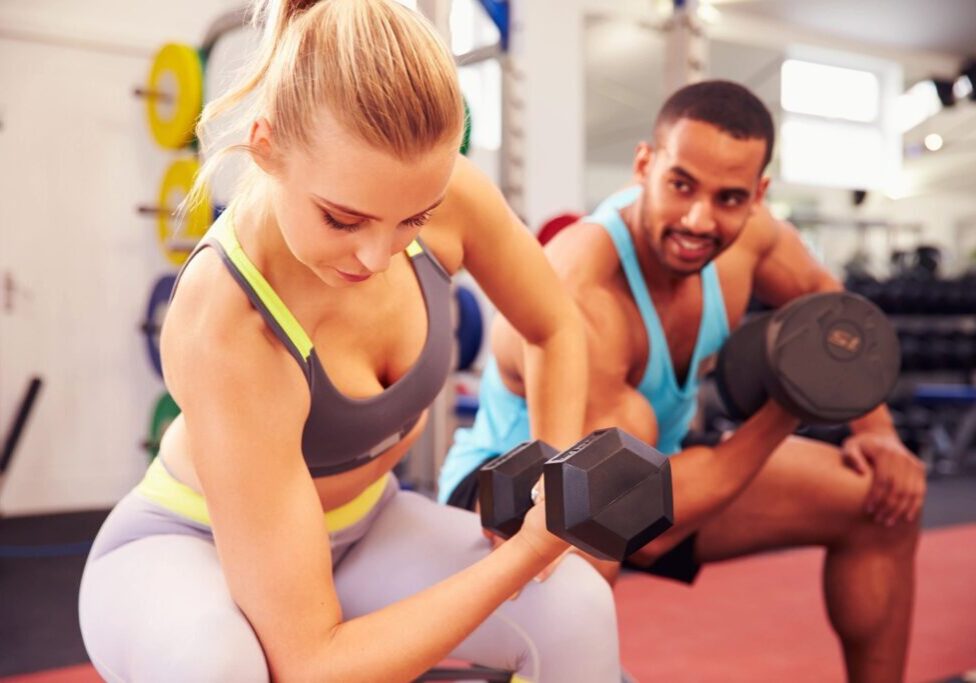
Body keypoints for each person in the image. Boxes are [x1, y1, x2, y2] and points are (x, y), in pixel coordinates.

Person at [78, 2, 621, 681]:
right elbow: (313, 663)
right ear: (265, 146)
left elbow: (556, 327)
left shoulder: (453, 196)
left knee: (578, 607)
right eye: (342, 218)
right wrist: (529, 550)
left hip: (370, 525)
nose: (376, 255)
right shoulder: (227, 321)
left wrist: (551, 473)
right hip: (188, 548)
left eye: (410, 220)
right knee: (219, 667)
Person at [438, 80, 925, 683]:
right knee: (623, 446)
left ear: (758, 195)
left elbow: (830, 307)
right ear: (645, 164)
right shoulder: (587, 286)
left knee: (882, 502)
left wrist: (878, 432)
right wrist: (789, 406)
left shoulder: (753, 241)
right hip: (518, 495)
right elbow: (623, 514)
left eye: (729, 198)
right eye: (681, 185)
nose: (700, 219)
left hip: (651, 475)